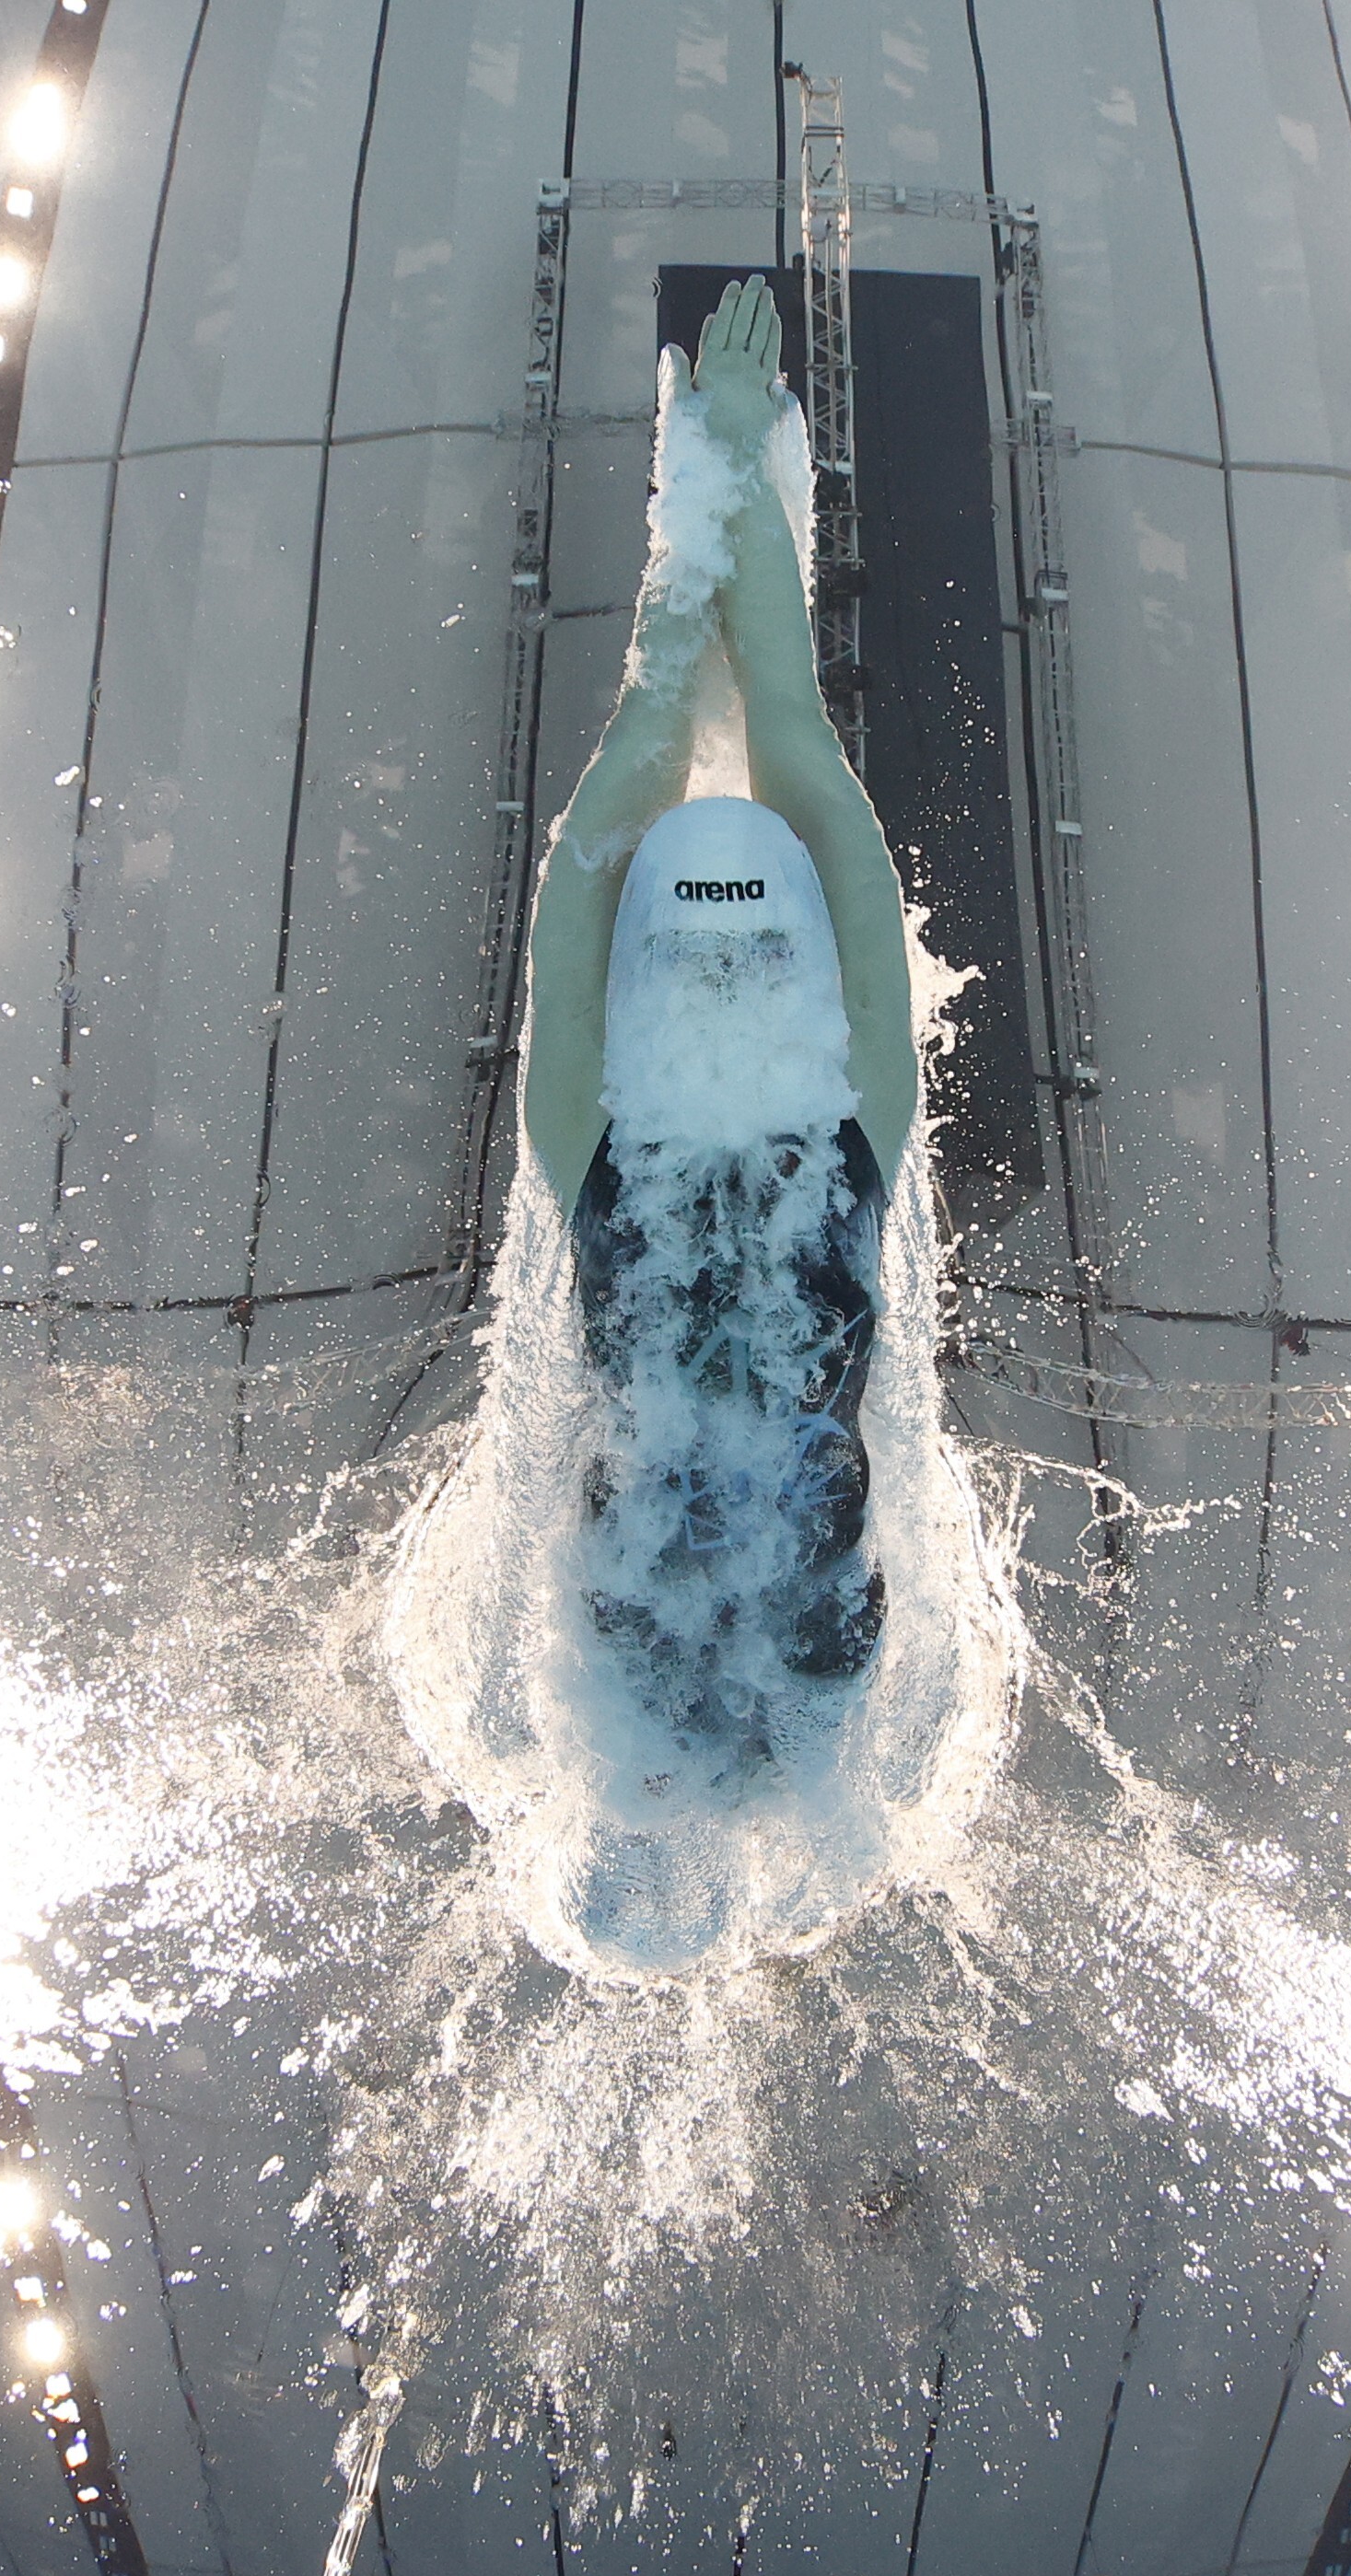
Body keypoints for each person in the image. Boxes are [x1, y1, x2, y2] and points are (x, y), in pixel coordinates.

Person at [518, 275, 921, 1769]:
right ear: (807, 966)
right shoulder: (858, 1118)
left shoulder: (591, 1136)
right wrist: (726, 470)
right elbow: (793, 729)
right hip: (796, 1621)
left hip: (669, 1616)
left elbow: (643, 745)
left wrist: (701, 486)